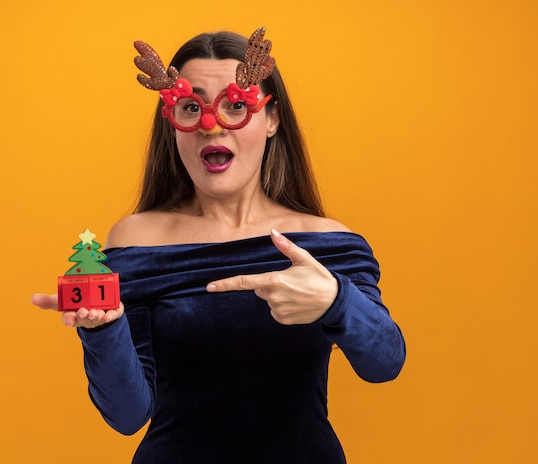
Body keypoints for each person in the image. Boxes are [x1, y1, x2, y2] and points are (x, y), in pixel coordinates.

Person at [32, 26, 406, 463]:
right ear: (171, 125)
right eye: (191, 107)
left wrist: (337, 301)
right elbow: (126, 415)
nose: (212, 126)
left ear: (272, 119)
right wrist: (102, 330)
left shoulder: (328, 243)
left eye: (236, 105)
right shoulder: (136, 241)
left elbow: (385, 364)